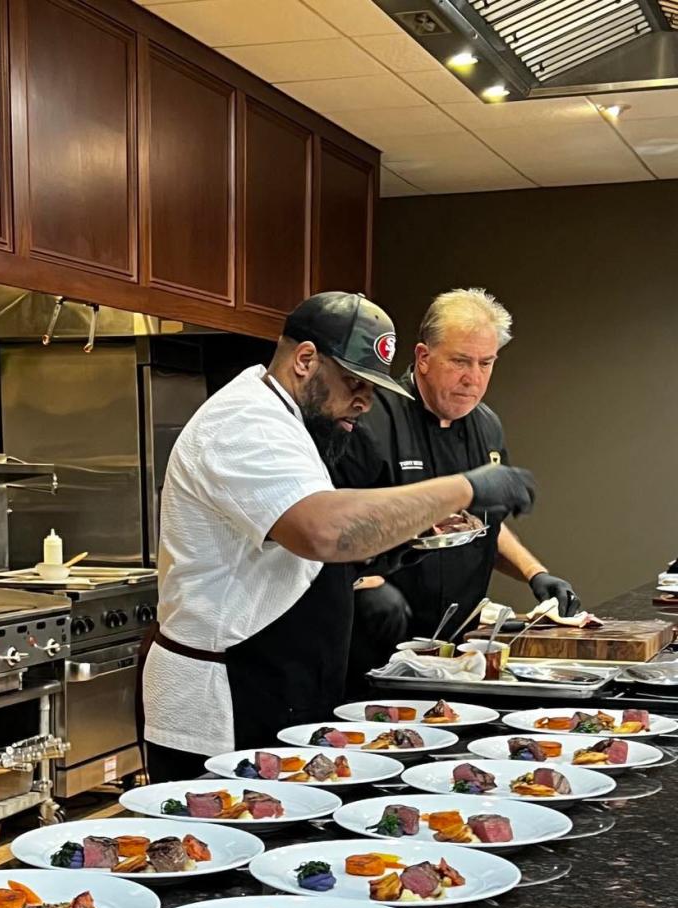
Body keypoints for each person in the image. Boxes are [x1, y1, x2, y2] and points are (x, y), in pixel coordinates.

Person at [141, 291, 536, 781]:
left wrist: (396, 550)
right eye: (353, 383)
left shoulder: (292, 422)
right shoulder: (244, 423)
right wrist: (465, 488)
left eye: (372, 388)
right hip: (224, 705)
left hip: (279, 686)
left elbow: (297, 555)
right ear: (306, 360)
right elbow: (321, 531)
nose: (365, 401)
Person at [337, 287, 579, 686]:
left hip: (454, 645)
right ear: (423, 358)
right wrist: (366, 586)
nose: (474, 378)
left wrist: (536, 573)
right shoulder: (370, 417)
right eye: (460, 361)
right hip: (373, 639)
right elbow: (333, 520)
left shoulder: (487, 426)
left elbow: (486, 524)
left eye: (486, 363)